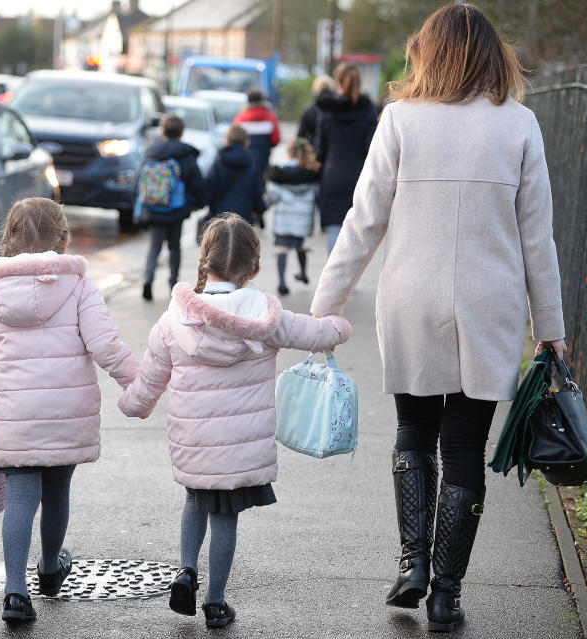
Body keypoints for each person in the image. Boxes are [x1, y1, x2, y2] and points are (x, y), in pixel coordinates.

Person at [309, 4, 567, 633]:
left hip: (411, 300)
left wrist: (326, 303)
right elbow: (539, 239)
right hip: (492, 305)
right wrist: (551, 327)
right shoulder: (521, 126)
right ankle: (447, 592)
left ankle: (412, 563)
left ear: (429, 52)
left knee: (413, 435)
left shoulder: (400, 120)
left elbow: (363, 219)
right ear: (491, 55)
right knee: (463, 454)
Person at [119, 214, 352, 629]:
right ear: (255, 268)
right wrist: (338, 325)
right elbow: (317, 334)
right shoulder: (266, 318)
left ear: (203, 262)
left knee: (195, 501)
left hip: (194, 441)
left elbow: (150, 378)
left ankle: (187, 570)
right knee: (225, 516)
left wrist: (133, 404)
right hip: (240, 446)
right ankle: (215, 601)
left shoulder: (175, 318)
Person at [0, 198, 138, 626]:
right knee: (57, 492)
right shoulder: (77, 285)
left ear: (8, 240)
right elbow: (105, 345)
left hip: (14, 417)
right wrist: (140, 382)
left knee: (21, 498)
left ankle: (15, 592)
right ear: (63, 238)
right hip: (66, 411)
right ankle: (52, 569)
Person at [139, 115, 206, 301]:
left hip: (153, 208)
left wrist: (138, 204)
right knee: (175, 247)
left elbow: (139, 179)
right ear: (182, 133)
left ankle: (148, 280)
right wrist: (198, 203)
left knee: (154, 246)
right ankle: (173, 284)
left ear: (162, 131)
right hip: (177, 211)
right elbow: (197, 183)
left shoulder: (151, 151)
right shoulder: (187, 155)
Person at [314, 64, 378, 256]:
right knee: (354, 230)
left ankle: (333, 281)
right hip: (358, 176)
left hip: (332, 175)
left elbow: (320, 149)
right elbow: (372, 148)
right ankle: (348, 281)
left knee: (334, 227)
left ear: (338, 82)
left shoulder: (327, 111)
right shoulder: (368, 111)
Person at [265, 138, 322, 295]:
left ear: (289, 154)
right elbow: (317, 196)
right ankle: (303, 273)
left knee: (283, 249)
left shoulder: (280, 174)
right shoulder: (311, 176)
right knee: (299, 246)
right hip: (301, 222)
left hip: (284, 221)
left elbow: (273, 196)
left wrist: (263, 206)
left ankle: (282, 283)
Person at [204, 126, 266, 227]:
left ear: (226, 141)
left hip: (218, 218)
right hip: (243, 220)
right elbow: (257, 194)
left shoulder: (218, 163)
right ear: (246, 143)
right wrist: (259, 210)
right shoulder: (252, 166)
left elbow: (209, 190)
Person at [232, 89, 281, 177]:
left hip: (244, 162)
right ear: (262, 100)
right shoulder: (271, 117)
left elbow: (234, 140)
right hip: (263, 161)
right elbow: (275, 140)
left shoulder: (240, 118)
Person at [296, 74, 337, 154]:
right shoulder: (338, 109)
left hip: (313, 154)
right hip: (332, 153)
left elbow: (300, 137)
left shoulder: (308, 110)